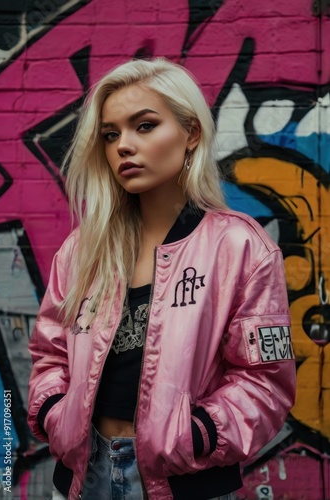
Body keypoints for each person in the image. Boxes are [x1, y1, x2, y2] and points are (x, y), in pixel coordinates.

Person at [27, 58, 296, 500]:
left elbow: (265, 379)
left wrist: (198, 435)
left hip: (185, 482)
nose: (123, 146)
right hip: (80, 477)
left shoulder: (239, 246)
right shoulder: (82, 250)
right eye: (111, 134)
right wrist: (57, 413)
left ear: (191, 133)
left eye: (145, 126)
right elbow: (48, 353)